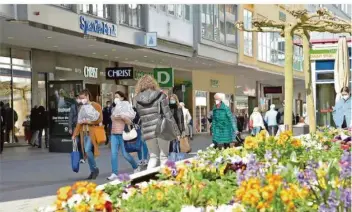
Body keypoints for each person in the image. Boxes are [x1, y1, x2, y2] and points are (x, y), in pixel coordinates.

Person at [135, 75, 180, 169]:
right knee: (163, 157)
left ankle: (148, 180)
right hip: (161, 128)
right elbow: (168, 114)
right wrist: (176, 130)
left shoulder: (137, 99)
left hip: (147, 130)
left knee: (153, 157)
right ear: (153, 83)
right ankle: (164, 179)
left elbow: (139, 116)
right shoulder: (160, 95)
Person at [107, 91, 139, 180]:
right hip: (114, 133)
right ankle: (114, 173)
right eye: (115, 97)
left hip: (123, 133)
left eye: (117, 97)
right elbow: (111, 118)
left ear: (122, 98)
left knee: (125, 154)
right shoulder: (113, 108)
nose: (115, 98)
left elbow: (130, 120)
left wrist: (123, 117)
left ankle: (135, 166)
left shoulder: (126, 106)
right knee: (113, 154)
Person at [72, 89, 103, 180]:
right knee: (86, 152)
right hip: (84, 133)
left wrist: (89, 121)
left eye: (83, 98)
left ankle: (95, 169)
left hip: (92, 132)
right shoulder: (81, 108)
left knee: (88, 150)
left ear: (87, 96)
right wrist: (75, 134)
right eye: (80, 98)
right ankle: (93, 171)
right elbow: (78, 122)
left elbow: (100, 119)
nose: (82, 100)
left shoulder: (96, 105)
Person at [69, 95, 85, 163]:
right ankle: (78, 157)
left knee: (82, 142)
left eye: (79, 98)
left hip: (83, 127)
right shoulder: (73, 106)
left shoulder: (84, 106)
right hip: (75, 126)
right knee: (77, 142)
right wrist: (70, 127)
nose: (78, 100)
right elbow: (70, 117)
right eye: (77, 98)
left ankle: (82, 157)